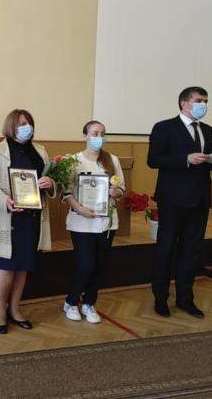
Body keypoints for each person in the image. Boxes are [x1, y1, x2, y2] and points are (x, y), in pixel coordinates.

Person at [148, 86, 212, 318]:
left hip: (199, 200)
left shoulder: (208, 130)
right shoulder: (164, 127)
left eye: (206, 101)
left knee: (191, 252)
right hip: (172, 199)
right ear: (184, 103)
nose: (204, 105)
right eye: (199, 100)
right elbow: (154, 160)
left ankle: (185, 299)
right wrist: (185, 159)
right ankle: (160, 299)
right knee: (166, 249)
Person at [0, 109, 55, 334]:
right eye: (22, 123)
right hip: (8, 216)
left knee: (23, 266)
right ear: (11, 126)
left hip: (32, 217)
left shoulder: (40, 151)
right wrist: (4, 200)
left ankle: (14, 309)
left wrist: (50, 183)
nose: (27, 127)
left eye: (29, 123)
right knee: (6, 265)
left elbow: (50, 181)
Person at [62, 121, 125, 324]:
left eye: (103, 133)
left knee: (99, 267)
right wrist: (80, 208)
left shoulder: (112, 160)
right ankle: (71, 302)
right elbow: (65, 192)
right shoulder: (72, 160)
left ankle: (89, 303)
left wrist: (116, 192)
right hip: (81, 222)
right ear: (85, 136)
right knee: (85, 266)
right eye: (95, 133)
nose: (99, 137)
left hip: (106, 224)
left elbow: (121, 189)